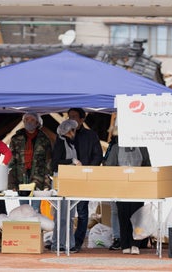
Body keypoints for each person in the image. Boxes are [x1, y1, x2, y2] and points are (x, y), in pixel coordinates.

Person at [104, 134, 152, 255]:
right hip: (121, 186)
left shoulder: (142, 148)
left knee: (137, 215)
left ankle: (136, 244)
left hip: (138, 186)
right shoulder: (116, 148)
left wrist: (139, 172)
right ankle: (125, 244)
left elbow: (147, 166)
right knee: (123, 215)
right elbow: (109, 166)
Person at [66, 108, 103, 252]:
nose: (71, 119)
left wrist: (88, 171)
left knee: (81, 211)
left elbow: (98, 155)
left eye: (74, 117)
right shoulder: (64, 135)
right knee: (65, 211)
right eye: (69, 117)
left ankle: (77, 242)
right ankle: (64, 240)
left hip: (85, 178)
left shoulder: (91, 135)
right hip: (68, 177)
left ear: (82, 119)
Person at [8, 112, 52, 212]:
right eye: (26, 120)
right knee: (24, 208)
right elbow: (11, 161)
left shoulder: (44, 140)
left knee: (35, 209)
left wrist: (47, 184)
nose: (29, 122)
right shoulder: (16, 139)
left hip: (38, 178)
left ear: (37, 123)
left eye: (32, 120)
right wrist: (12, 183)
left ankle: (36, 228)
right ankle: (26, 226)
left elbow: (48, 163)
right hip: (21, 178)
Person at [50, 119, 80, 253]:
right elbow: (55, 163)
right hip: (60, 181)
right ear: (67, 131)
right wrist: (72, 161)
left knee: (70, 215)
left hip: (71, 181)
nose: (74, 133)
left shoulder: (72, 144)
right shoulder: (60, 144)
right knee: (61, 215)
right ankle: (57, 243)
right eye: (72, 130)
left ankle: (68, 242)